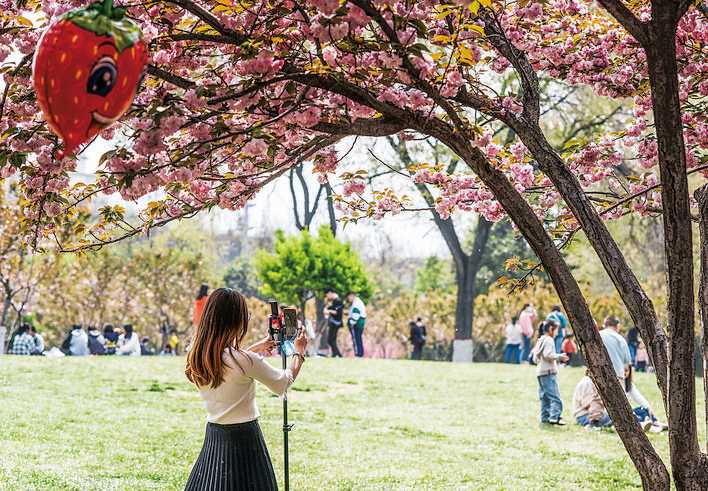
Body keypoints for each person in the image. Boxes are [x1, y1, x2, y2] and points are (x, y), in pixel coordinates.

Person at [184, 288, 308, 491]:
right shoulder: (245, 361)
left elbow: (228, 367)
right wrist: (299, 353)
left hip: (214, 437)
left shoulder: (197, 356)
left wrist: (256, 348)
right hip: (245, 440)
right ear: (236, 321)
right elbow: (282, 383)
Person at [532, 321, 569, 425]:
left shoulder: (541, 339)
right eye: (556, 330)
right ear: (551, 329)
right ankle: (554, 417)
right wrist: (559, 356)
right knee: (555, 397)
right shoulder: (549, 340)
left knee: (545, 397)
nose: (557, 333)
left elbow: (535, 358)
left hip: (540, 372)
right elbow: (548, 354)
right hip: (548, 372)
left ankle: (545, 417)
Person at [624, 365, 666, 432]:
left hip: (628, 411)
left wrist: (648, 407)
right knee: (633, 415)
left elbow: (638, 398)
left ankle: (655, 422)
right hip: (621, 413)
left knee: (643, 409)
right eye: (623, 371)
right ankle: (649, 426)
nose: (624, 373)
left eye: (626, 371)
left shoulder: (628, 384)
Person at [599, 316, 631, 382]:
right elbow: (627, 365)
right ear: (617, 326)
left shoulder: (598, 335)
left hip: (599, 376)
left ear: (605, 325)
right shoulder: (621, 339)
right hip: (618, 376)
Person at [323, 288, 344, 357]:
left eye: (327, 295)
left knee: (330, 339)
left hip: (336, 323)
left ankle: (338, 354)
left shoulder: (338, 301)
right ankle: (335, 354)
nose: (327, 297)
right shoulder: (335, 301)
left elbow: (337, 312)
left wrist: (328, 311)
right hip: (334, 322)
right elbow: (332, 308)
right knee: (332, 339)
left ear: (330, 293)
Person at [346, 291, 366, 357]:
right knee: (358, 339)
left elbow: (356, 314)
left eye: (348, 297)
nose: (348, 299)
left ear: (352, 295)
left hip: (356, 324)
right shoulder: (357, 302)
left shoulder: (356, 303)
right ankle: (360, 353)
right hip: (359, 323)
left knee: (356, 339)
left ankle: (358, 354)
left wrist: (351, 322)